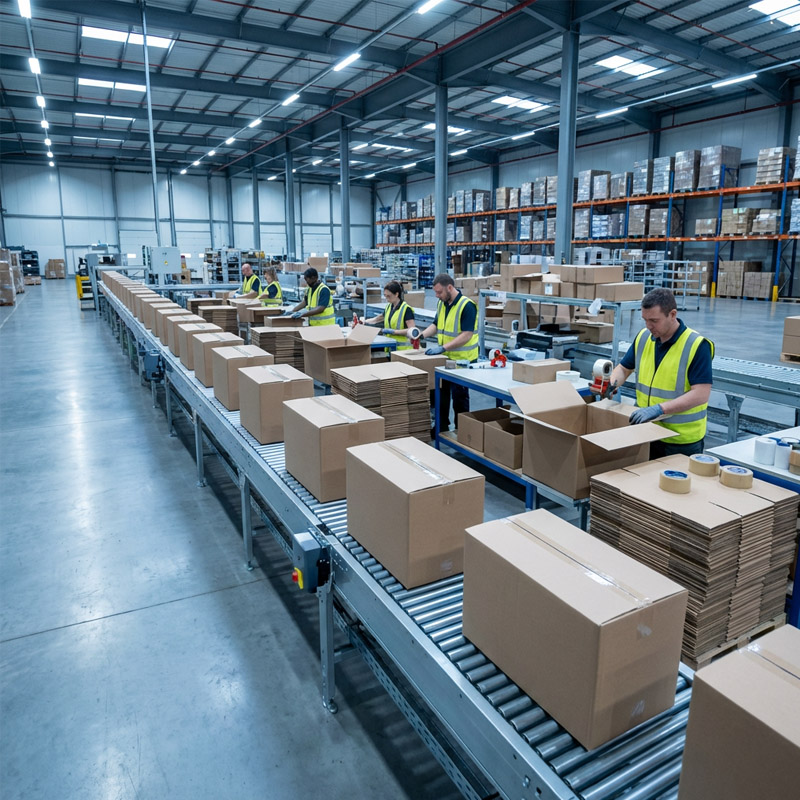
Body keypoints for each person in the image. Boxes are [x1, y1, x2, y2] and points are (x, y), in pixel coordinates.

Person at [605, 287, 714, 458]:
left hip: (679, 441)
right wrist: (612, 383)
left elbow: (701, 394)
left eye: (654, 320)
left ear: (672, 314)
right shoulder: (643, 338)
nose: (649, 326)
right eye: (645, 320)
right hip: (646, 432)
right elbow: (624, 368)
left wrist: (660, 409)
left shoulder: (696, 345)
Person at [420, 273, 479, 430]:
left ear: (450, 287)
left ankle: (463, 431)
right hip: (444, 359)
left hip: (462, 361)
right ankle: (442, 426)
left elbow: (467, 334)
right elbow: (436, 325)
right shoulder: (442, 303)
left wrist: (443, 348)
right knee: (441, 394)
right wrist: (422, 335)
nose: (437, 296)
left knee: (459, 398)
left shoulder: (467, 306)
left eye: (439, 292)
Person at [364, 281, 416, 350]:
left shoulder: (406, 309)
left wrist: (394, 332)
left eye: (389, 296)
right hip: (390, 347)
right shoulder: (389, 307)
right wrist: (364, 322)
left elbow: (412, 330)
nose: (387, 299)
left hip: (403, 349)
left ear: (396, 294)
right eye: (385, 296)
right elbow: (377, 319)